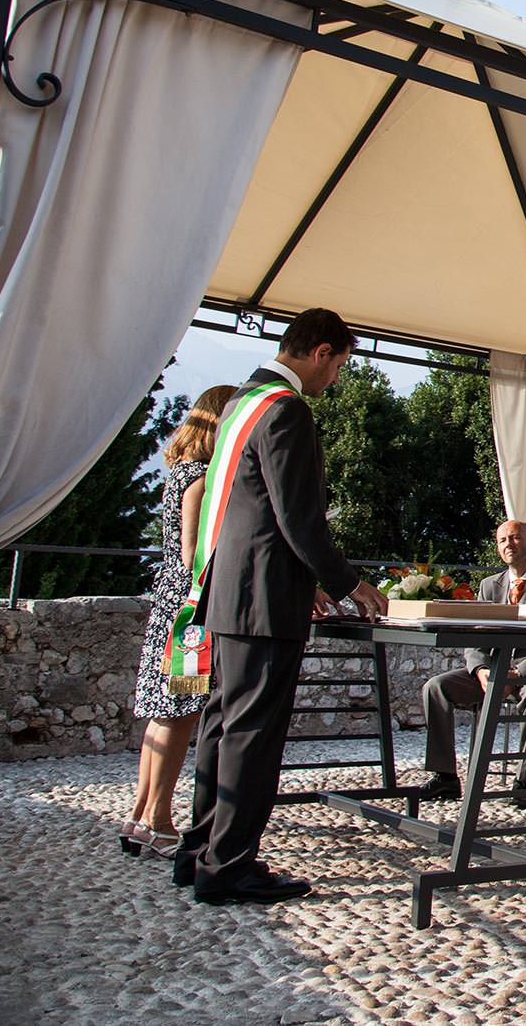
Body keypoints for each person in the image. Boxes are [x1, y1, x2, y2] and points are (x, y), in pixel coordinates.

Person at [172, 309, 388, 905]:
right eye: (339, 366)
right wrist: (349, 583)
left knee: (222, 725)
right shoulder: (287, 409)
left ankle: (199, 850)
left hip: (226, 591)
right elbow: (297, 517)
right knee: (254, 735)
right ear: (321, 352)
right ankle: (229, 867)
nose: (336, 380)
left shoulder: (243, 398)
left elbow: (251, 510)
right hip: (264, 600)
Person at [124, 384, 236, 859]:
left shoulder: (178, 473)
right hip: (189, 613)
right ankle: (161, 819)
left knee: (160, 713)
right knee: (180, 712)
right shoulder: (200, 480)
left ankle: (139, 815)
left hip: (169, 605)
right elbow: (196, 557)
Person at [418, 520, 526, 808]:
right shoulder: (489, 586)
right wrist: (481, 671)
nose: (508, 544)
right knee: (436, 687)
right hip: (494, 668)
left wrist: (517, 673)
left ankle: (524, 782)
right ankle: (445, 777)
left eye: (515, 538)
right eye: (502, 539)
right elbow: (476, 639)